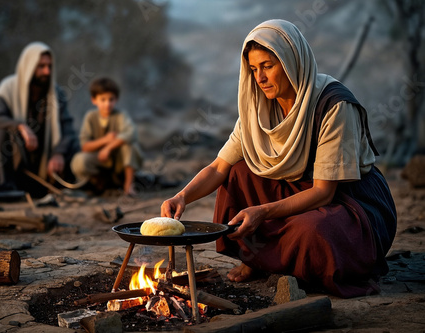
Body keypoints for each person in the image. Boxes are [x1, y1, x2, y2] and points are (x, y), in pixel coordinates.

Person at [161, 20, 397, 298]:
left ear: (292, 61)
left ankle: (275, 260)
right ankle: (261, 260)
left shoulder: (334, 105)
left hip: (347, 202)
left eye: (268, 66)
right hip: (295, 193)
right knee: (239, 172)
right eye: (253, 69)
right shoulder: (257, 108)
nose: (259, 78)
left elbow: (323, 192)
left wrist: (263, 211)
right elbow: (218, 167)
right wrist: (182, 196)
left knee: (312, 231)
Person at [0, 42, 78, 198]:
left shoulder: (56, 93)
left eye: (49, 66)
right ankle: (6, 187)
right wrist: (20, 126)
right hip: (14, 162)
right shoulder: (8, 87)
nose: (47, 71)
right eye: (41, 66)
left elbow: (68, 129)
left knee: (75, 144)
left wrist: (58, 153)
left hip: (44, 165)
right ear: (28, 65)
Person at [71, 77, 143, 196]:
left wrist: (108, 147)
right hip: (100, 160)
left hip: (119, 160)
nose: (107, 104)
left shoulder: (120, 115)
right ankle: (98, 183)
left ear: (116, 99)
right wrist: (105, 140)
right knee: (79, 160)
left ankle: (129, 185)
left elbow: (132, 133)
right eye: (103, 99)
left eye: (111, 99)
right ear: (94, 100)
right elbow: (85, 146)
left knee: (130, 146)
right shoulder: (90, 117)